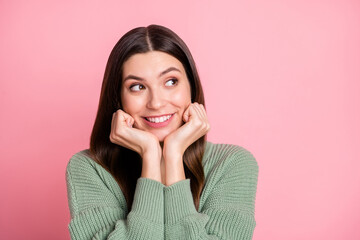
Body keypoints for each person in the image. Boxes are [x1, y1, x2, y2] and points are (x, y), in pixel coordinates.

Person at [66, 24, 259, 240]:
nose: (156, 103)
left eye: (170, 82)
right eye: (137, 86)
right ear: (118, 98)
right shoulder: (90, 169)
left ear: (191, 87)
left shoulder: (231, 164)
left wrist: (173, 155)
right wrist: (151, 156)